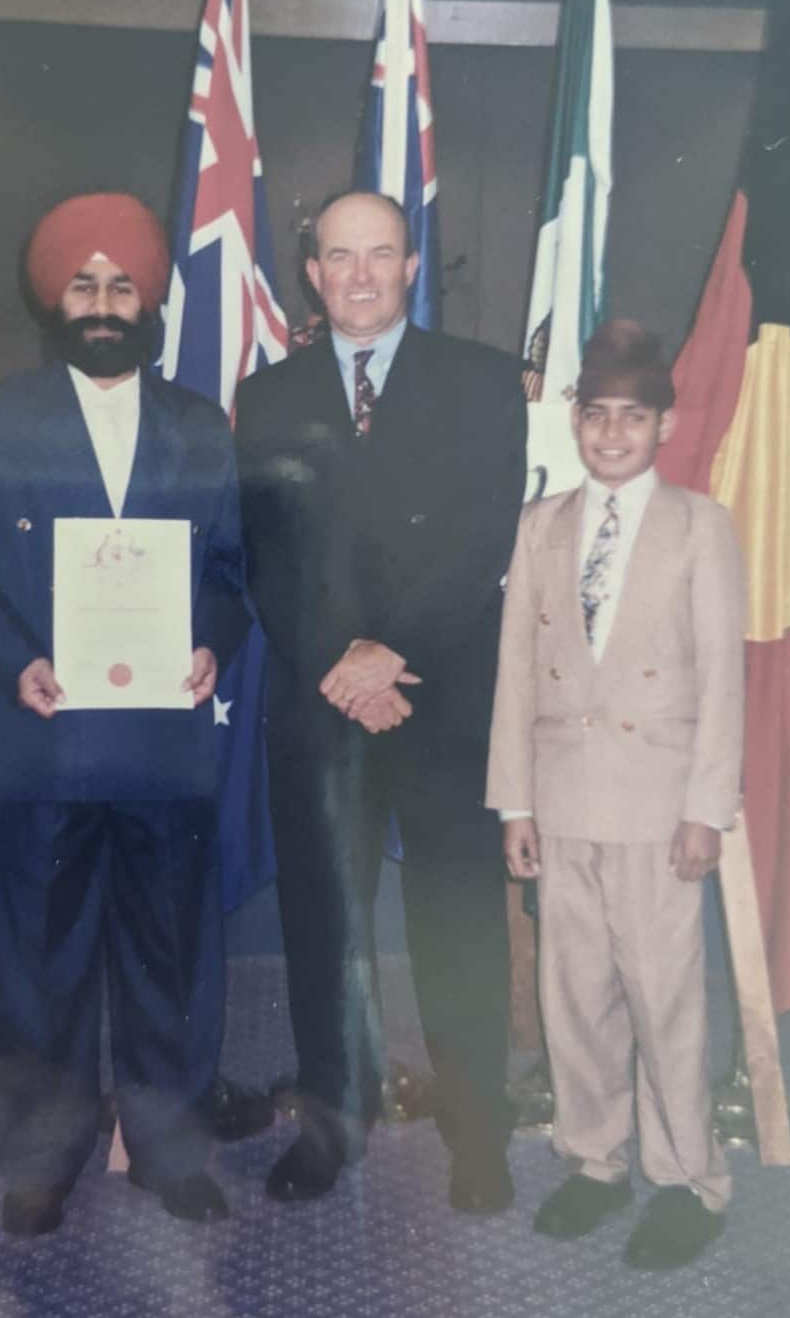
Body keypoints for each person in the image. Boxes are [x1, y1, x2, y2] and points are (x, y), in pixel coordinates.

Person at [0, 192, 249, 1233]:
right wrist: (14, 660)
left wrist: (211, 638)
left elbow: (234, 571)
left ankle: (170, 1150)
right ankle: (40, 1160)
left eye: (122, 285)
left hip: (164, 743)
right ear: (52, 296)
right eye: (83, 283)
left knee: (172, 958)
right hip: (41, 740)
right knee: (35, 964)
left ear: (149, 301)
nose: (103, 303)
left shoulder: (201, 425)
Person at [234, 189, 527, 1210]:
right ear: (311, 274)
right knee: (326, 929)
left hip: (441, 703)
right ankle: (331, 1125)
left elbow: (485, 540)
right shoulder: (267, 399)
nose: (359, 274)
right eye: (338, 256)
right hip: (323, 710)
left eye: (382, 255)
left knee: (457, 922)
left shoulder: (485, 383)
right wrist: (344, 664)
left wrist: (387, 653)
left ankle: (476, 1134)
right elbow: (266, 560)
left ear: (413, 266)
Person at [489, 319, 744, 1270]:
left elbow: (723, 679)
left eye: (632, 418)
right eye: (595, 416)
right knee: (575, 992)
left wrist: (705, 811)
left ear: (664, 427)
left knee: (664, 996)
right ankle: (596, 1161)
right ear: (575, 423)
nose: (610, 434)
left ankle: (688, 1179)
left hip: (657, 804)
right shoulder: (542, 526)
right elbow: (517, 671)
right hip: (562, 801)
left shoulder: (698, 527)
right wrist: (515, 802)